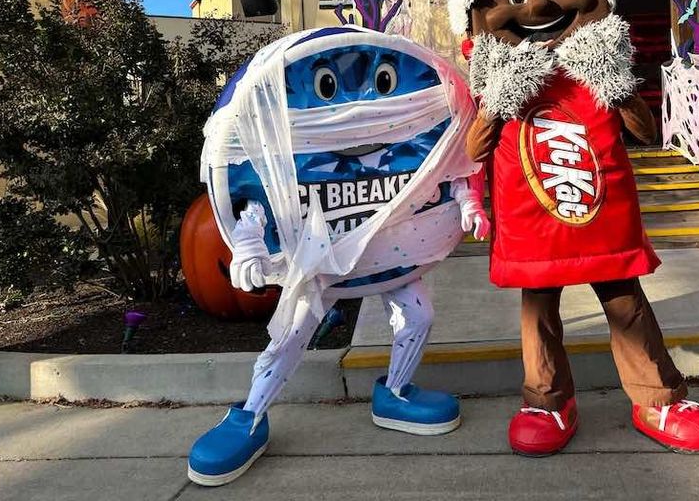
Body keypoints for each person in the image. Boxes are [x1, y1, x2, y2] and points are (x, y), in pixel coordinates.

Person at [444, 0, 699, 457]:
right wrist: (499, 99)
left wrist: (614, 83)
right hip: (531, 218)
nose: (540, 7)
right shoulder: (494, 75)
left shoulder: (598, 64)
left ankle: (657, 398)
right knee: (539, 308)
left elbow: (646, 132)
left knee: (623, 301)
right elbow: (471, 152)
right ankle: (546, 400)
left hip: (602, 212)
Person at [187, 27, 489, 485]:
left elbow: (452, 170)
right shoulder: (277, 150)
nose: (358, 115)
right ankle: (248, 416)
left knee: (418, 315)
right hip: (318, 261)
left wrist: (469, 207)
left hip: (391, 254)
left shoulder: (428, 130)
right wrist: (249, 248)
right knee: (290, 336)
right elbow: (253, 200)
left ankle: (395, 393)